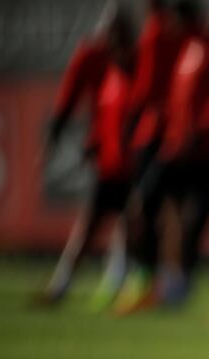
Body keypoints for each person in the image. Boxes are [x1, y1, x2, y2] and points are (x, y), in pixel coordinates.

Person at [119, 0, 209, 313]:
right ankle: (153, 279)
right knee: (146, 205)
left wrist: (201, 130)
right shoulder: (186, 48)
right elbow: (176, 100)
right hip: (178, 147)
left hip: (208, 151)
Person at [36, 2, 136, 310]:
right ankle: (64, 283)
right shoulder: (109, 72)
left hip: (132, 164)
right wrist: (92, 142)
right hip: (110, 164)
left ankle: (116, 282)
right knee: (92, 224)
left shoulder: (133, 73)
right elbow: (101, 116)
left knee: (127, 224)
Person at [113, 0, 186, 312]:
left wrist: (131, 121)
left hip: (156, 132)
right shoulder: (176, 34)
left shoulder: (156, 34)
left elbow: (147, 86)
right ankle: (164, 282)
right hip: (170, 133)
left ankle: (148, 280)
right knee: (165, 211)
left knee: (143, 208)